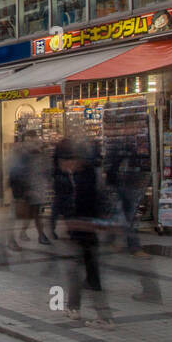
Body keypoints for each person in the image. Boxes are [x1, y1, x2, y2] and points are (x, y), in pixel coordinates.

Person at [58, 138, 115, 327]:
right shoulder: (85, 175)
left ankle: (102, 317)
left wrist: (74, 222)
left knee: (87, 274)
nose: (62, 166)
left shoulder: (84, 178)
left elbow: (85, 205)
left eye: (64, 162)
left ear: (72, 160)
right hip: (85, 231)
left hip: (83, 231)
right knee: (83, 273)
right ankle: (77, 309)